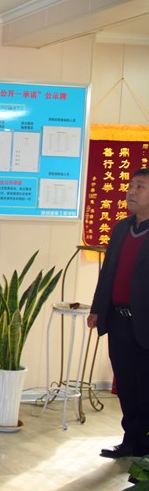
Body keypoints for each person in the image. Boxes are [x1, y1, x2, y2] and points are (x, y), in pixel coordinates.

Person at [88, 167, 149, 462]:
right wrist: (97, 309)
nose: (131, 191)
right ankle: (131, 442)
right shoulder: (121, 228)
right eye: (131, 185)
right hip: (119, 320)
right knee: (126, 385)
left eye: (140, 187)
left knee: (145, 388)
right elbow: (108, 272)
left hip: (145, 324)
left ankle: (144, 454)